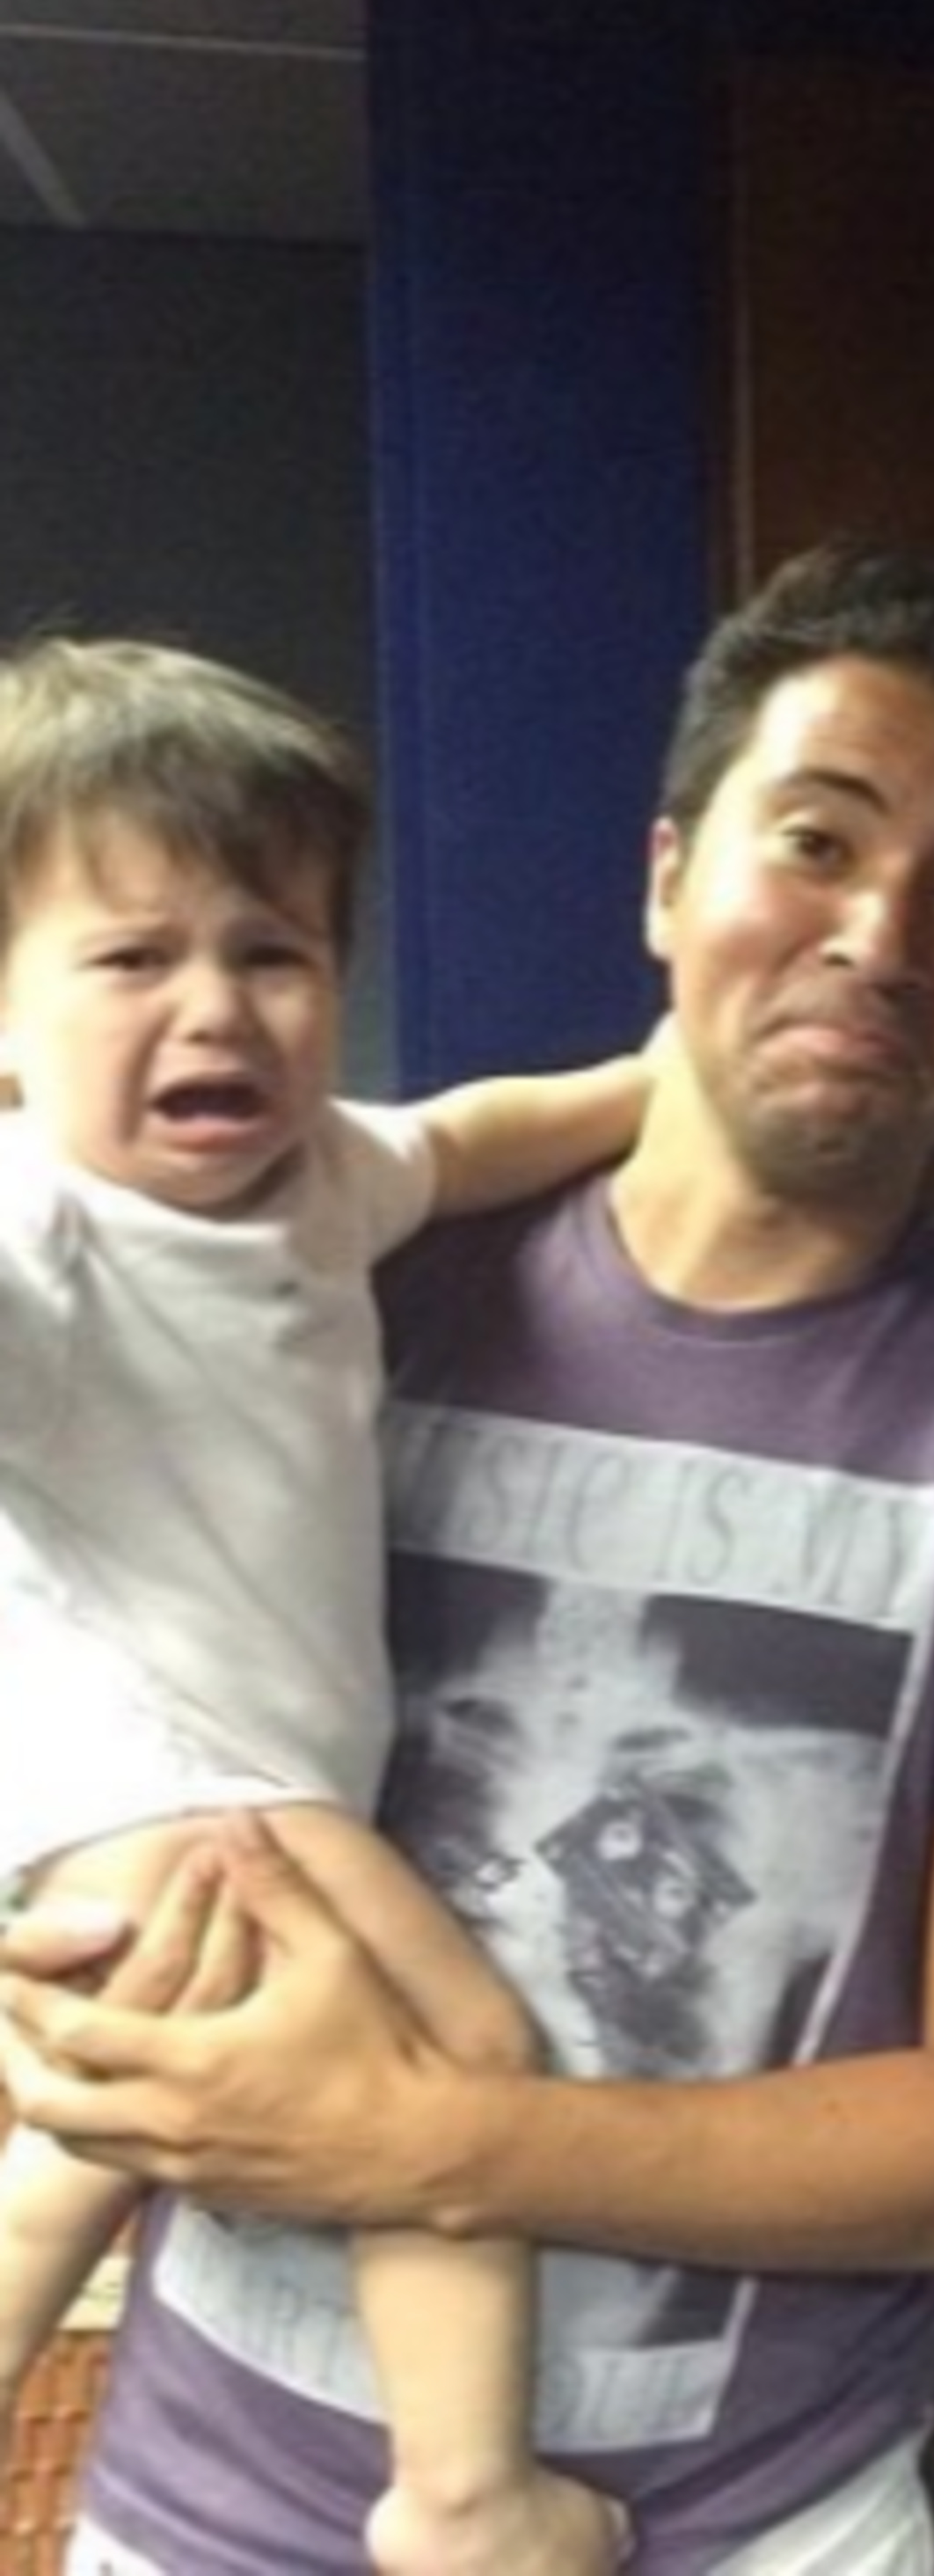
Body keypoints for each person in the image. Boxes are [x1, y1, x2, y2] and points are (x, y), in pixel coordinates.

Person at [0, 543, 934, 2574]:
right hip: (206, 2515)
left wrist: (438, 2146)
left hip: (767, 2531)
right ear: (667, 879)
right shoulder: (337, 1286)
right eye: (815, 841)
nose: (882, 934)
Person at [0, 637, 653, 2574]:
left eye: (272, 953)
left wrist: (665, 1086)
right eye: (133, 957)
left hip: (213, 1806)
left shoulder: (318, 1182)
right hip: (183, 1801)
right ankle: (465, 2496)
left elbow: (471, 1135)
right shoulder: (44, 1230)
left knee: (98, 2139)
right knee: (454, 2070)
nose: (215, 1005)